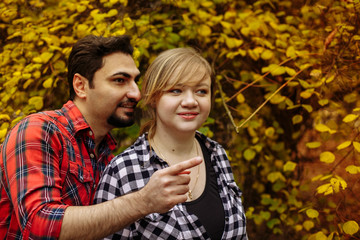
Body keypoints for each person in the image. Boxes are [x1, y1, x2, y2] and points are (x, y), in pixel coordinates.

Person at [0, 35, 202, 240]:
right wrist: (143, 201)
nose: (136, 94)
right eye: (119, 80)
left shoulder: (108, 157)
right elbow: (39, 223)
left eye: (135, 81)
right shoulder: (40, 131)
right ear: (80, 86)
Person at [94, 47, 248, 239]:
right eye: (176, 90)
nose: (191, 101)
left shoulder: (217, 155)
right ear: (153, 97)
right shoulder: (124, 171)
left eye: (201, 91)